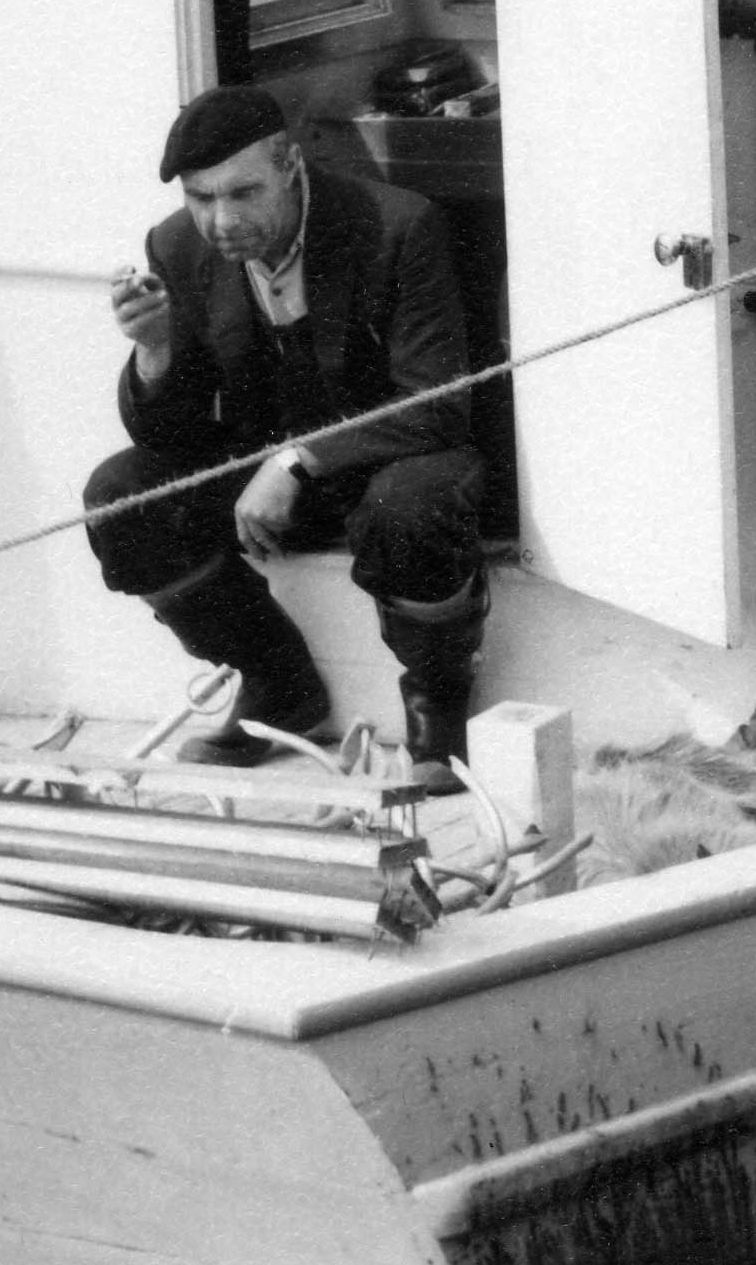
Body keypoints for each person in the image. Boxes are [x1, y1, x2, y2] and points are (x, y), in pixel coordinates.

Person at [84, 84, 486, 778]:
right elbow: (169, 436)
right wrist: (154, 350)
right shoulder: (175, 245)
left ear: (292, 166)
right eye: (201, 197)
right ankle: (276, 682)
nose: (220, 220)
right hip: (266, 478)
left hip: (386, 465)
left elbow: (438, 403)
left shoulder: (398, 225)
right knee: (121, 494)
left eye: (243, 193)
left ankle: (437, 704)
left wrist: (298, 460)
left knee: (412, 506)